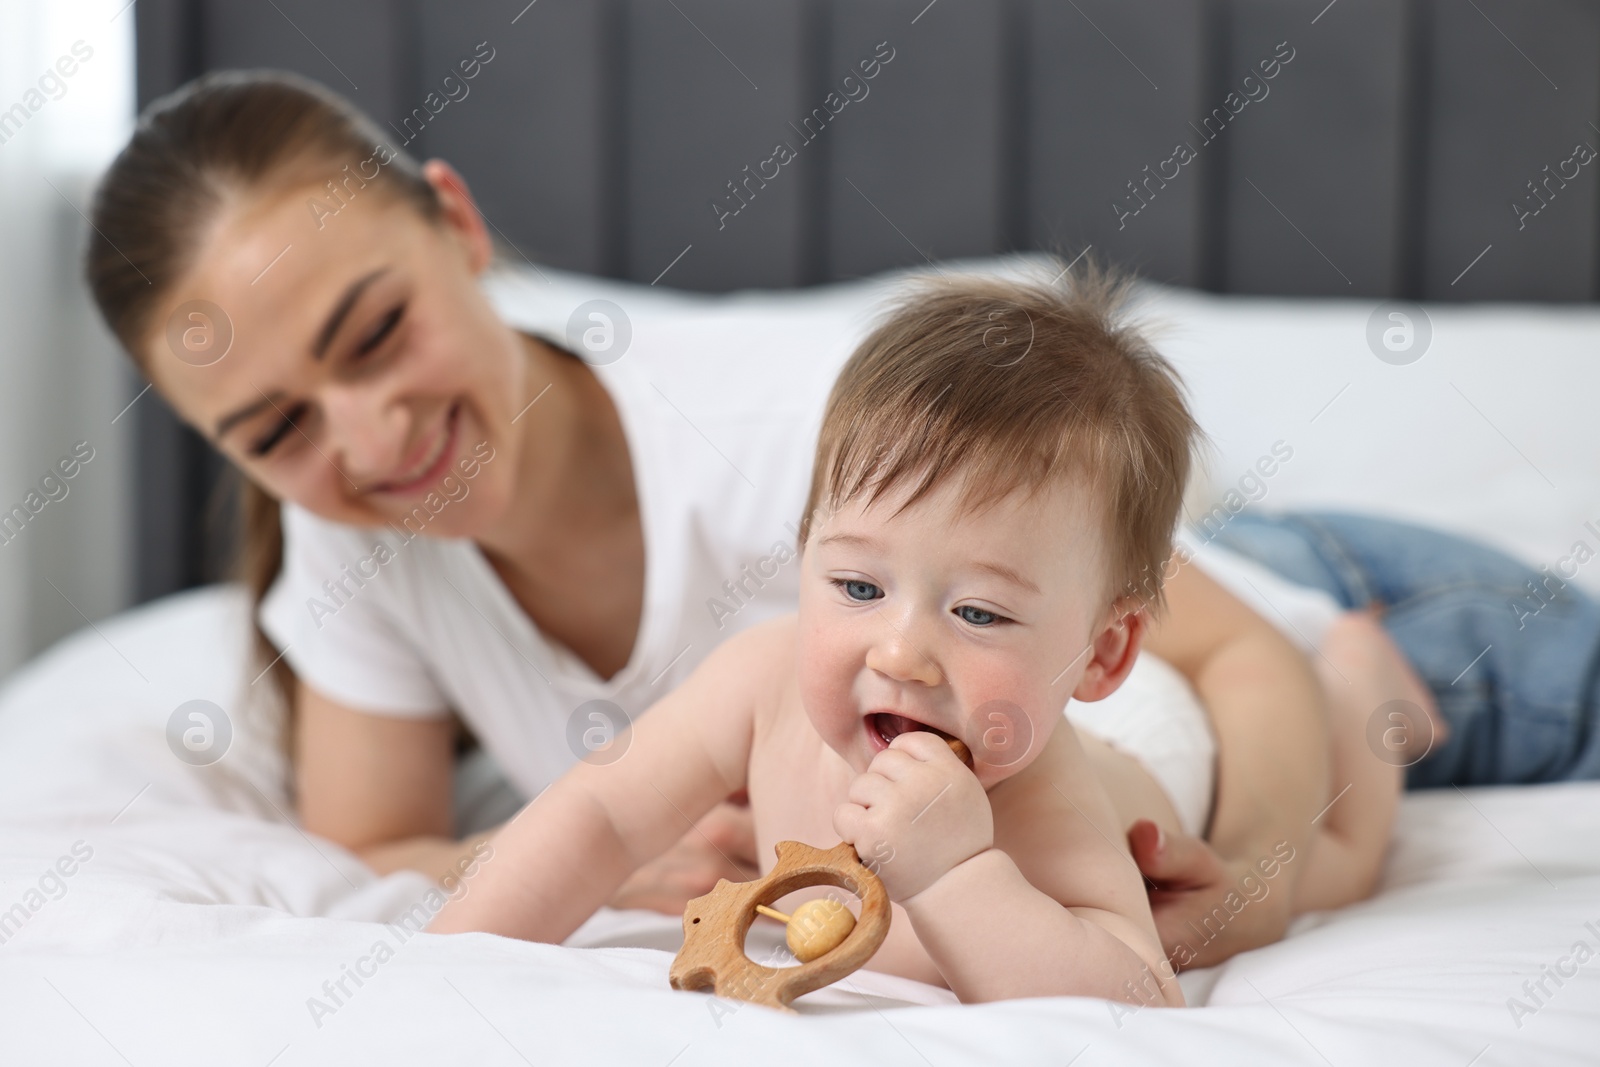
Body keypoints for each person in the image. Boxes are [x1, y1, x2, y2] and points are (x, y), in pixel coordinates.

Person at [81, 69, 1416, 972]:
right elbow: (430, 841)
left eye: (374, 331)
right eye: (276, 431)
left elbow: (1237, 660)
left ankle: (1381, 690)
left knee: (1329, 854)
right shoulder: (351, 534)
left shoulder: (838, 451)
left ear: (457, 222)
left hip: (1283, 598)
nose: (367, 440)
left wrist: (1257, 880)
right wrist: (547, 911)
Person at [429, 272, 1404, 1002]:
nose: (899, 651)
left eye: (978, 611)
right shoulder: (760, 684)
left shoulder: (1040, 790)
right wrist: (447, 960)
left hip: (1154, 753)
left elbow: (1137, 997)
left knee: (1308, 875)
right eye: (857, 584)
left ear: (1100, 654)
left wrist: (957, 872)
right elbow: (601, 813)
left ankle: (1362, 681)